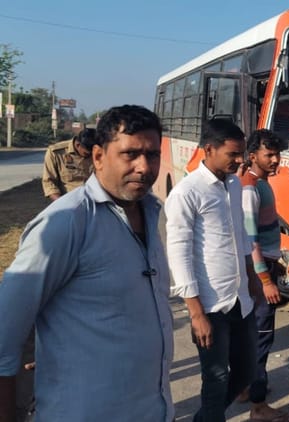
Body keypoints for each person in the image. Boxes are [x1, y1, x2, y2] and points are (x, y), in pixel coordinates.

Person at [0, 105, 174, 422]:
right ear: (98, 157)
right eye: (130, 154)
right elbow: (5, 335)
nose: (144, 167)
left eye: (152, 155)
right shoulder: (65, 223)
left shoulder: (152, 212)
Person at [165, 118, 258, 422]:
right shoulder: (187, 192)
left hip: (240, 298)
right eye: (233, 154)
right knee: (216, 378)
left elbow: (240, 234)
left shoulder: (233, 185)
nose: (240, 160)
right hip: (210, 304)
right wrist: (196, 313)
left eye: (242, 153)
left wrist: (252, 276)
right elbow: (178, 253)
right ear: (209, 149)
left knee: (247, 370)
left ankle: (204, 419)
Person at [234, 129, 289, 422]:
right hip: (259, 274)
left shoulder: (260, 183)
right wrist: (266, 280)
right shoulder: (250, 189)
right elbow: (251, 241)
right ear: (252, 155)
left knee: (252, 334)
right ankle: (258, 407)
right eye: (268, 154)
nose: (275, 159)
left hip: (266, 265)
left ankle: (245, 387)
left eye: (277, 154)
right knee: (261, 337)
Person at [41, 127, 97, 200]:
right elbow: (49, 182)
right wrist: (61, 203)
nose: (91, 156)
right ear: (78, 145)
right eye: (87, 154)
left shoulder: (100, 153)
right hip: (67, 200)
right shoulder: (56, 153)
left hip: (93, 200)